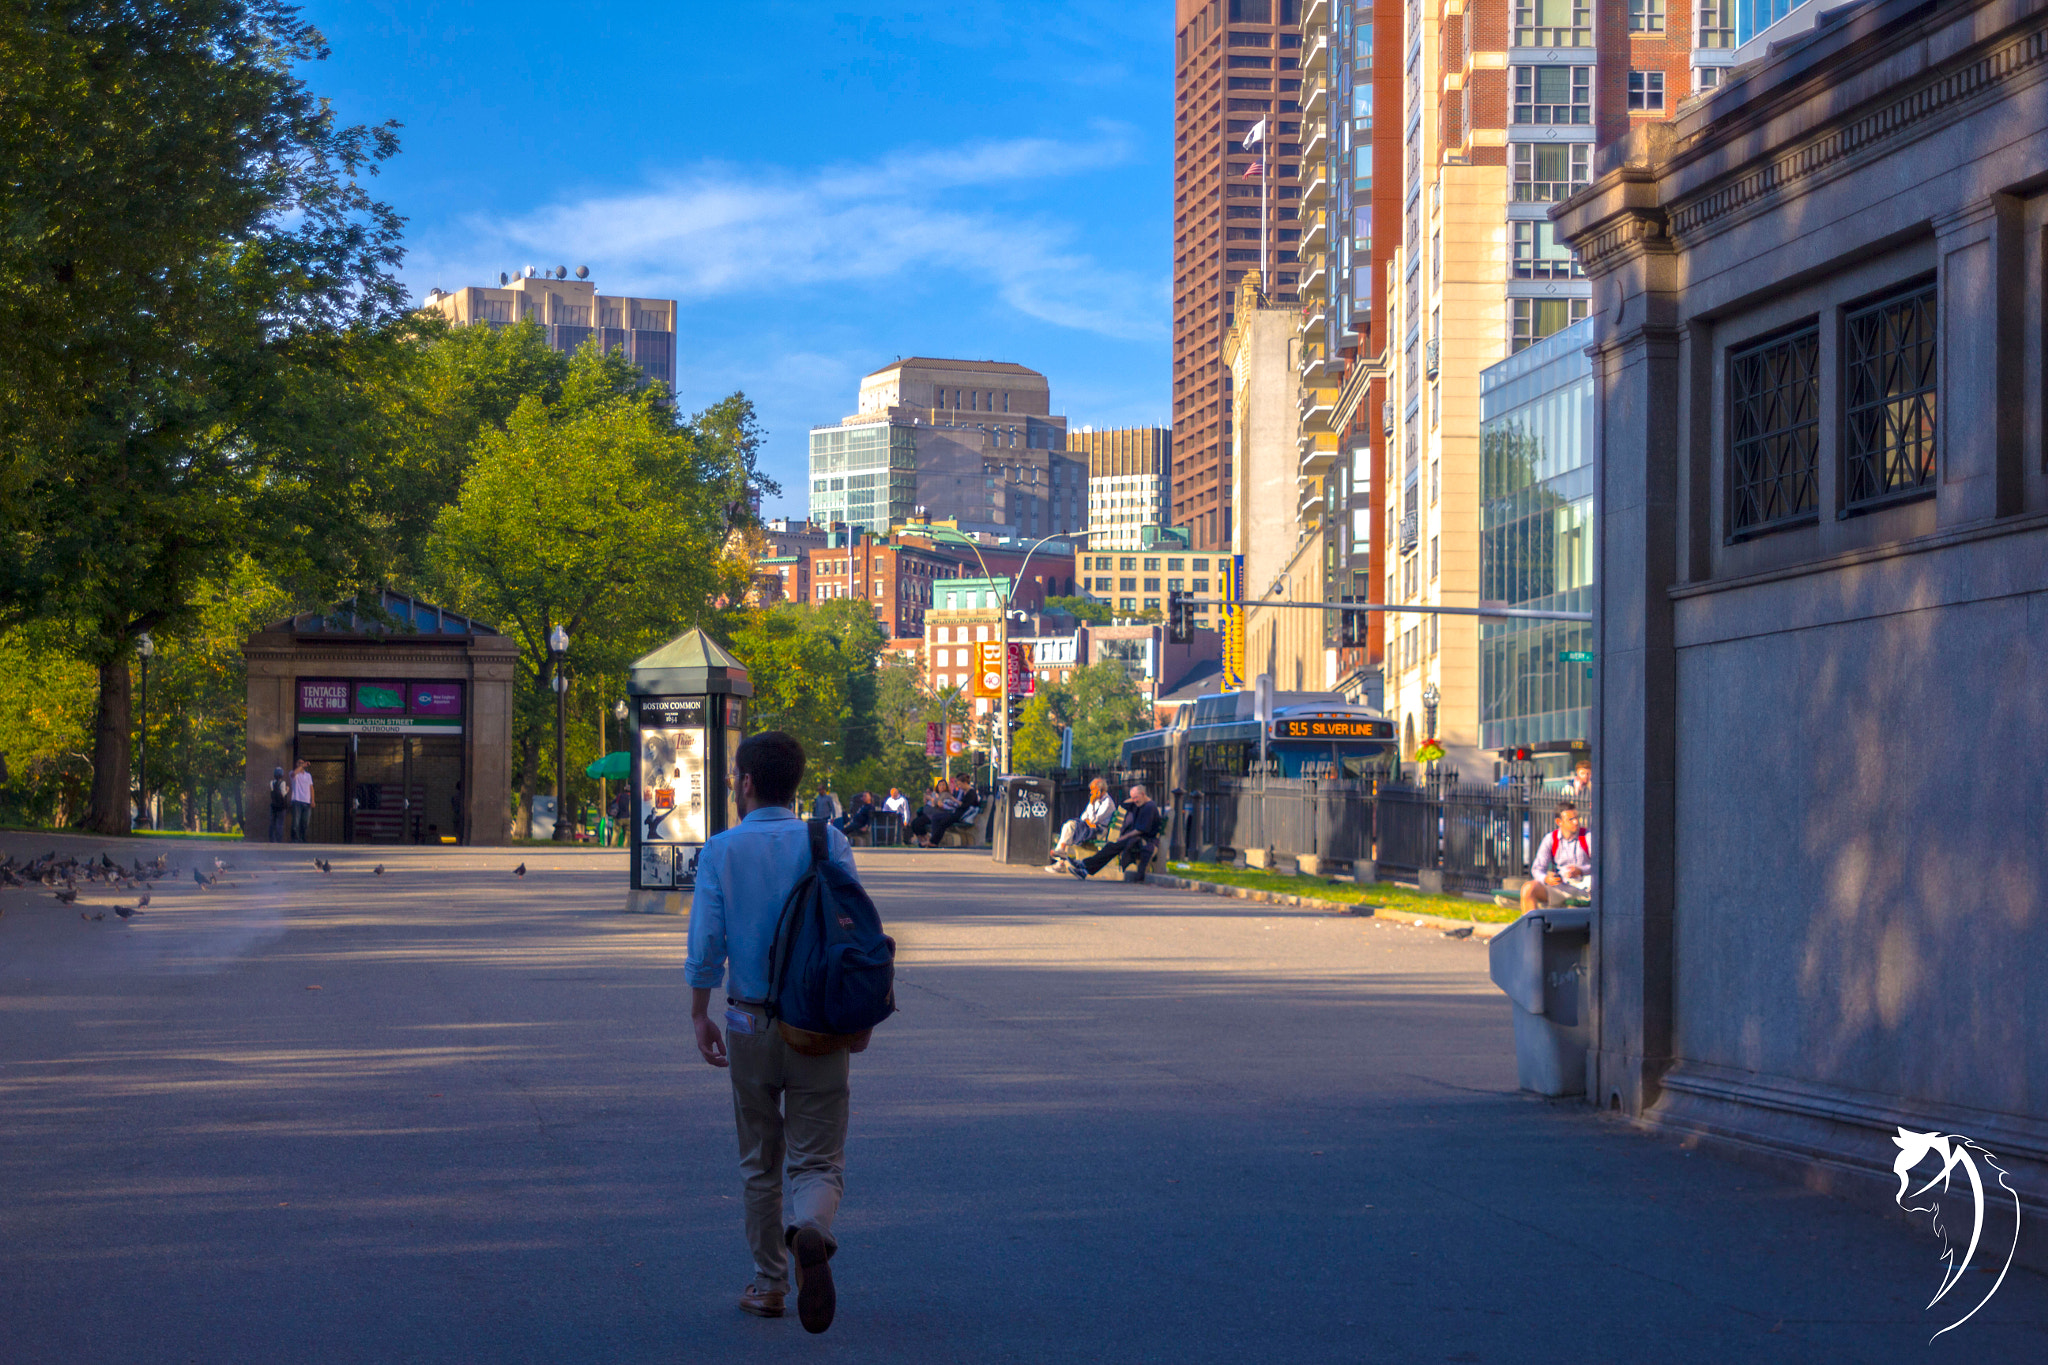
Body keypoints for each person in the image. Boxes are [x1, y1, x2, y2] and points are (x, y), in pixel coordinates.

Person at [686, 731, 865, 1334]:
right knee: (819, 1159)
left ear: (746, 781)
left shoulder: (721, 850)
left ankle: (768, 1286)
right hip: (818, 1022)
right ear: (796, 783)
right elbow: (856, 934)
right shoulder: (828, 840)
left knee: (759, 1162)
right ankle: (810, 1229)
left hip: (748, 1018)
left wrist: (699, 1011)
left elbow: (707, 942)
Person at [1067, 784, 1162, 882]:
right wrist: (1133, 798)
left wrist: (1124, 837)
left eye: (1136, 797)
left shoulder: (1149, 808)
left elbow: (1141, 830)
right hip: (1135, 838)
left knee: (1112, 847)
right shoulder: (1139, 803)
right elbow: (1123, 804)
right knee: (1111, 847)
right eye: (1132, 798)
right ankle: (1085, 868)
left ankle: (1084, 866)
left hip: (1144, 841)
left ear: (1143, 794)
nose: (1134, 800)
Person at [1519, 804, 1592, 912]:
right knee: (1528, 889)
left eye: (1576, 817)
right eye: (1570, 819)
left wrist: (1580, 871)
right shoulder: (1551, 839)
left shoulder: (1587, 836)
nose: (1576, 822)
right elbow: (1537, 869)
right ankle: (1534, 927)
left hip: (1585, 888)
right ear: (1559, 822)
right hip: (1560, 887)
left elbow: (1601, 866)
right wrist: (1546, 879)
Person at [1048, 777, 1116, 872]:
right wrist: (1088, 820)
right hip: (1089, 827)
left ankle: (1061, 861)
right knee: (1068, 825)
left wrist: (1091, 805)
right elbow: (1083, 816)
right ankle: (1061, 851)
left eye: (1093, 789)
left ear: (1101, 790)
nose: (1091, 792)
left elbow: (1095, 819)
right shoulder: (1095, 800)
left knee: (1071, 830)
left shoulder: (1107, 803)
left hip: (1099, 831)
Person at [907, 781, 955, 847]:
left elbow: (943, 805)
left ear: (947, 786)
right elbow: (930, 804)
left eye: (943, 785)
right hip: (930, 813)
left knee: (919, 822)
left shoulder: (947, 795)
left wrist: (932, 799)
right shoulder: (935, 794)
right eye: (940, 785)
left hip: (938, 814)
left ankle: (928, 841)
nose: (942, 787)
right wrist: (927, 800)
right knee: (914, 823)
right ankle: (923, 839)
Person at [288, 759, 314, 843]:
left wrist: (312, 800)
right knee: (296, 821)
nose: (301, 765)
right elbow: (293, 774)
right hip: (297, 800)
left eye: (302, 763)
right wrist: (302, 766)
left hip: (306, 801)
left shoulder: (308, 775)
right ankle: (295, 838)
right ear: (296, 764)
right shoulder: (294, 773)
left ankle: (303, 838)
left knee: (305, 822)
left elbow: (311, 788)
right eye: (299, 763)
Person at [267, 766, 291, 843]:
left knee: (272, 823)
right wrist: (287, 790)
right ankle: (279, 839)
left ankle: (272, 839)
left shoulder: (271, 783)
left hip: (273, 805)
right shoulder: (283, 783)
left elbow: (272, 791)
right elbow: (283, 794)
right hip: (281, 806)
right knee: (280, 824)